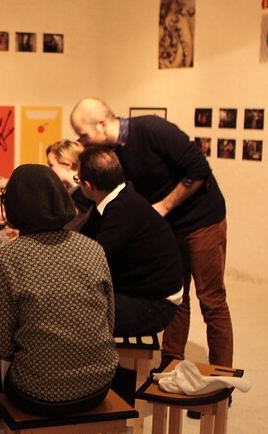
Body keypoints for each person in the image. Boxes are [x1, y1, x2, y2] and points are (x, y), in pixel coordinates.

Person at [0, 164, 118, 434]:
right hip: (99, 384)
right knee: (37, 358)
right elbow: (109, 322)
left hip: (38, 394)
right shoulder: (93, 249)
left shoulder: (7, 260)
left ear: (11, 207)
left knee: (5, 370)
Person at [70, 97, 233, 369]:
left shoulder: (152, 129)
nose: (82, 142)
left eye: (83, 135)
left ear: (101, 124)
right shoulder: (114, 151)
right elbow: (99, 189)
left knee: (211, 300)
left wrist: (164, 206)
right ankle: (170, 366)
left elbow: (199, 169)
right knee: (175, 294)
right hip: (169, 225)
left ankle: (222, 377)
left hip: (202, 220)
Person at [77, 146, 183, 338]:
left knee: (70, 313)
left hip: (155, 304)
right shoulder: (117, 198)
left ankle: (98, 368)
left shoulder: (122, 211)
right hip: (142, 292)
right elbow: (82, 239)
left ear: (88, 185)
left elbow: (92, 261)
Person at [45, 139, 92, 215]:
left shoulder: (84, 193)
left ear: (67, 165)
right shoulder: (68, 192)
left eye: (51, 165)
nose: (49, 169)